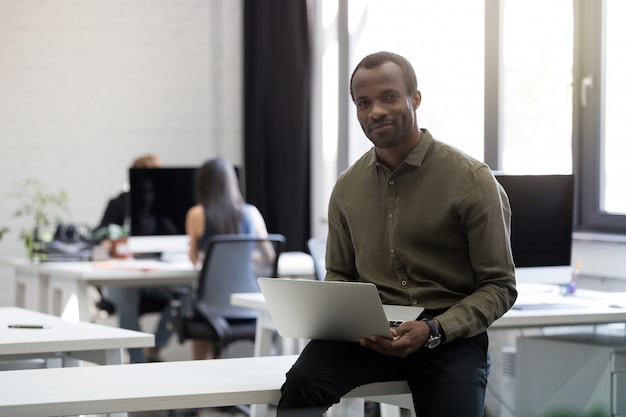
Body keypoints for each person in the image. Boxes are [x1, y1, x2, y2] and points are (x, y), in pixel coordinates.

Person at [276, 51, 518, 417]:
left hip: (446, 335)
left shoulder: (472, 180)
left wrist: (434, 329)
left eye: (389, 97)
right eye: (364, 102)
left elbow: (500, 286)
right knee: (299, 388)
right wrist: (342, 314)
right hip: (368, 333)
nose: (375, 111)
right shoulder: (346, 187)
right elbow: (339, 273)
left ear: (414, 99)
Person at [185, 156, 274, 360]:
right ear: (232, 183)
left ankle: (200, 371)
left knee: (196, 308)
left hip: (211, 307)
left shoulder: (197, 214)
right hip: (249, 305)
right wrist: (243, 258)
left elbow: (193, 259)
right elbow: (269, 257)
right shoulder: (252, 213)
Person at [98, 154, 175, 363]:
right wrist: (113, 241)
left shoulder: (165, 215)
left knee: (187, 296)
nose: (148, 193)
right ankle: (138, 362)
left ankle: (155, 348)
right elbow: (100, 237)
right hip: (124, 279)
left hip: (156, 280)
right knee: (126, 295)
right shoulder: (119, 204)